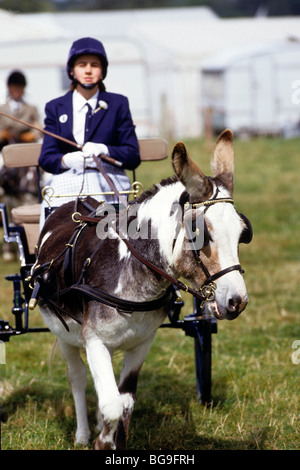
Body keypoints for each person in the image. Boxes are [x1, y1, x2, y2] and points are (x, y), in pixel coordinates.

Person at [39, 37, 140, 225]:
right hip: (68, 178)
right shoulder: (55, 107)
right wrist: (66, 160)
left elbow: (133, 156)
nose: (88, 70)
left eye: (94, 65)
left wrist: (105, 149)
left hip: (108, 180)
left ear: (102, 71)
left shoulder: (118, 104)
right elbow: (46, 158)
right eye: (81, 64)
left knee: (97, 192)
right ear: (71, 70)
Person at [0, 70, 42, 261]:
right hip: (5, 153)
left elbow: (37, 130)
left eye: (20, 88)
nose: (17, 91)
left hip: (24, 155)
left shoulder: (31, 109)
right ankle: (7, 244)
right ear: (9, 88)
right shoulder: (2, 108)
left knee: (41, 175)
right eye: (14, 88)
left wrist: (28, 135)